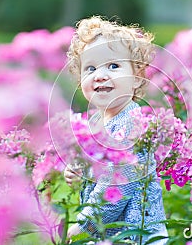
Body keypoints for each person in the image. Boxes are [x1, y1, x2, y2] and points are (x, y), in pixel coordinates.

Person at [64, 16, 168, 244]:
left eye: (113, 66)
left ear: (137, 79)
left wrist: (85, 226)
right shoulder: (96, 123)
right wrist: (77, 171)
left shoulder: (132, 123)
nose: (100, 75)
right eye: (90, 68)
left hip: (136, 234)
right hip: (108, 234)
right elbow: (96, 164)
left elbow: (118, 183)